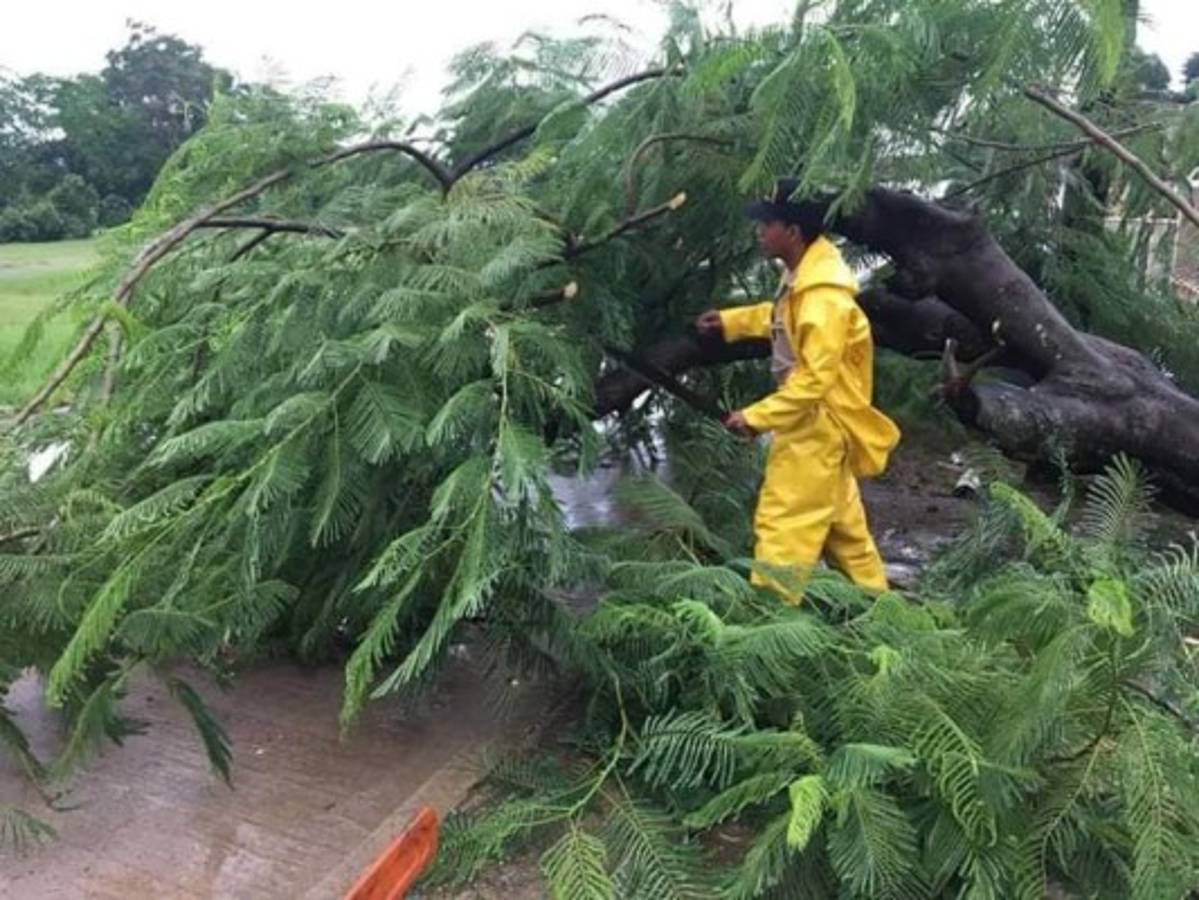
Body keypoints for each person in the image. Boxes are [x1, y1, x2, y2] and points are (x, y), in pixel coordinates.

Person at [695, 177, 900, 600]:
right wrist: (732, 322)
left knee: (783, 528)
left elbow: (813, 381)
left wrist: (756, 417)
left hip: (815, 427)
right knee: (848, 538)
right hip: (826, 426)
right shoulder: (806, 280)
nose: (759, 232)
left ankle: (770, 621)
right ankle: (883, 617)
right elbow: (784, 320)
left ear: (792, 231)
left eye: (767, 224)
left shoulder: (823, 298)